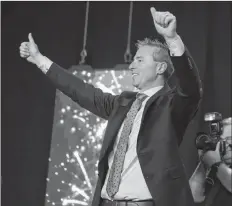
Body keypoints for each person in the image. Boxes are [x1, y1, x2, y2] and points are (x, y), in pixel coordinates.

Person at [19, 7, 201, 206]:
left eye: (140, 60)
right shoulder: (122, 103)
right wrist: (39, 59)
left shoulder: (172, 105)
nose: (132, 65)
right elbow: (79, 90)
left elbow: (190, 86)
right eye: (133, 60)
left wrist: (172, 38)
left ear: (160, 67)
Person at [189, 117, 232, 206]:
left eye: (229, 140)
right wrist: (204, 160)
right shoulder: (219, 169)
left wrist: (215, 163)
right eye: (220, 141)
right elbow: (194, 196)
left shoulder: (219, 168)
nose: (224, 146)